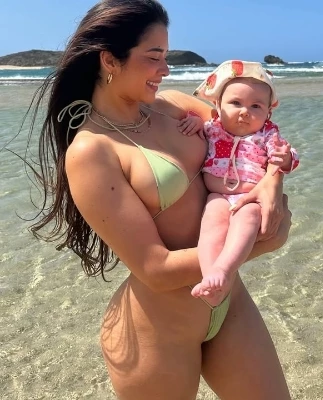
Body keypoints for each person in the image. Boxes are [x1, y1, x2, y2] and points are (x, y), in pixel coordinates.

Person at [25, 1, 293, 399]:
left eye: (166, 56)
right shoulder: (92, 151)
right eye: (154, 57)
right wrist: (260, 243)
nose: (165, 69)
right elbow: (155, 268)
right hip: (156, 332)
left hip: (230, 306)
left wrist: (272, 181)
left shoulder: (176, 106)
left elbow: (257, 137)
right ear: (110, 60)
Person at [178, 60, 299, 305]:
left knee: (248, 219)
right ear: (218, 105)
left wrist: (285, 158)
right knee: (212, 225)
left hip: (250, 198)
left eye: (256, 106)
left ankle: (224, 269)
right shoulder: (213, 128)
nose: (245, 112)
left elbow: (289, 156)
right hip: (218, 195)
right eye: (235, 103)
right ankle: (210, 276)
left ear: (268, 113)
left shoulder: (267, 134)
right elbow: (201, 123)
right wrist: (195, 121)